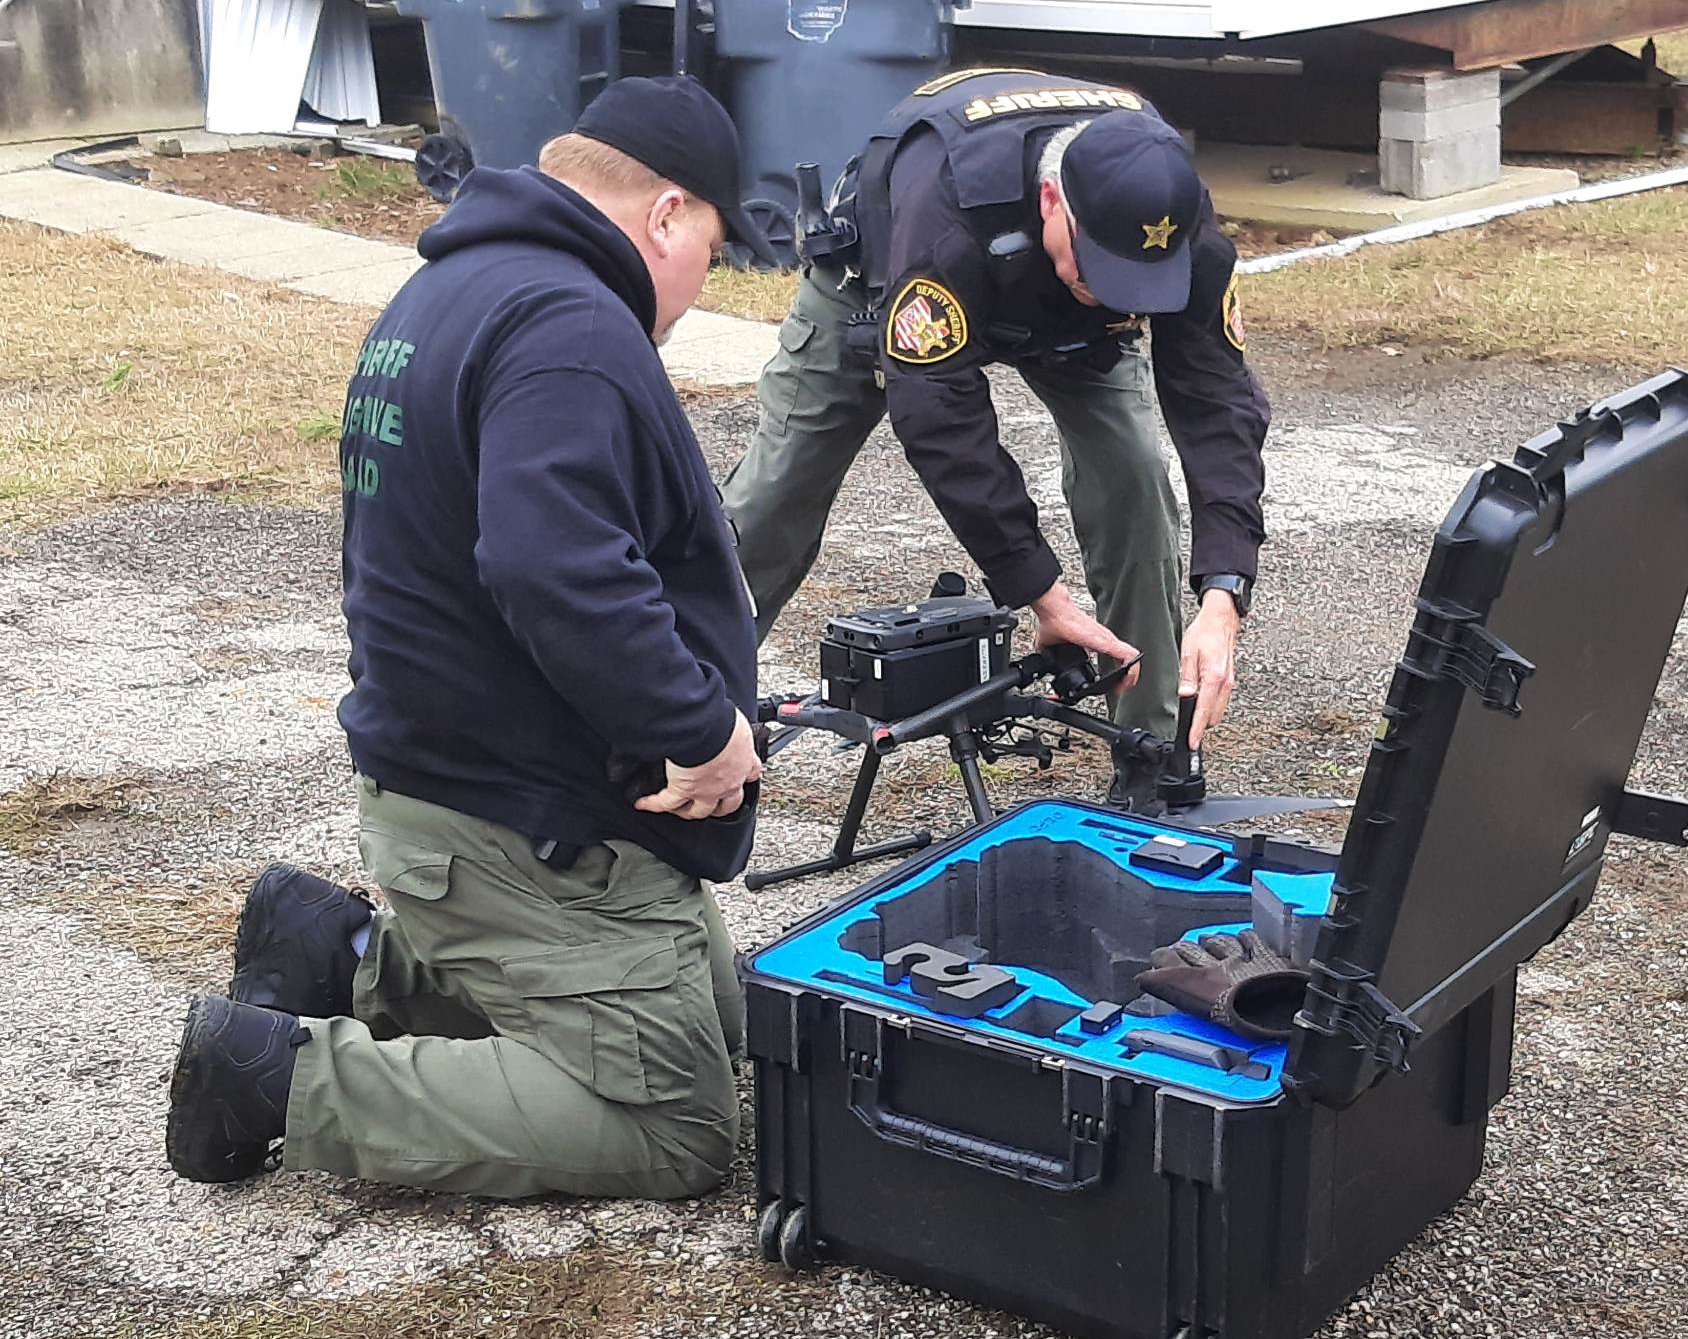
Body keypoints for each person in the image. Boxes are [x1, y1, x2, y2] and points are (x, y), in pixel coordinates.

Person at [164, 76, 776, 1200]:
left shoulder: (451, 289)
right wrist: (697, 731)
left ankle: (343, 958)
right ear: (666, 214)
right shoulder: (569, 326)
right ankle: (281, 1081)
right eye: (713, 247)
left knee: (731, 1019)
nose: (702, 282)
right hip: (523, 820)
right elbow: (552, 564)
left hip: (458, 783)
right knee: (680, 1123)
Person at [721, 69, 1270, 755]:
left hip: (1070, 332)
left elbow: (1218, 402)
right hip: (876, 287)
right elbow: (940, 420)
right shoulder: (948, 211)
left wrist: (1225, 594)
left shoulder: (1171, 220)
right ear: (1052, 201)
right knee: (776, 496)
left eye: (1137, 282)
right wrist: (1040, 591)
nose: (1114, 293)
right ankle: (689, 722)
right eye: (1100, 268)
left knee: (1134, 480)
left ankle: (1152, 748)